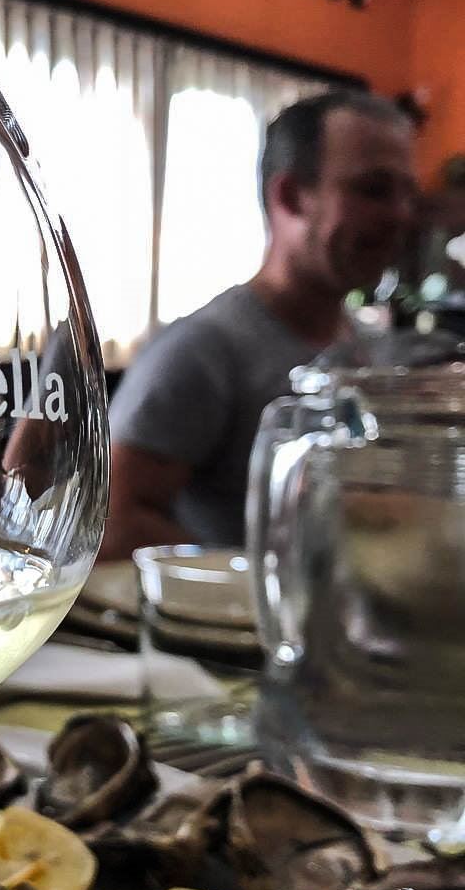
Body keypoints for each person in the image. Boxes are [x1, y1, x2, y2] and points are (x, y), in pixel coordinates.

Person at [99, 89, 418, 559]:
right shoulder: (203, 350)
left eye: (408, 194)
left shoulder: (372, 346)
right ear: (290, 197)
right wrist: (273, 587)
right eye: (373, 190)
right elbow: (113, 521)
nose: (401, 214)